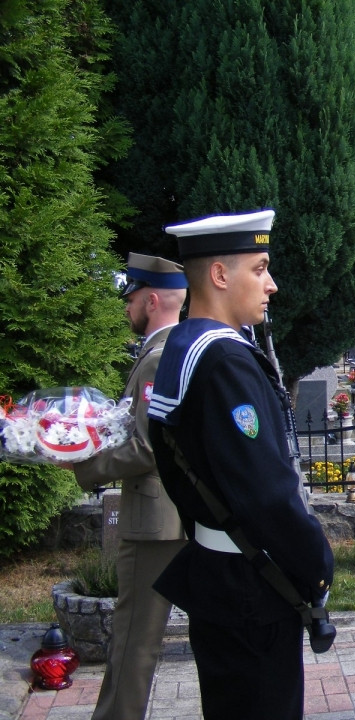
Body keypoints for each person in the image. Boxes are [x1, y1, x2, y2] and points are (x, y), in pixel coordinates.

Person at [146, 209, 334, 720]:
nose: (271, 284)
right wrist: (316, 564)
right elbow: (267, 493)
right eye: (260, 268)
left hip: (220, 568)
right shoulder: (225, 361)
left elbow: (175, 466)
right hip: (252, 582)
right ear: (219, 275)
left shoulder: (185, 344)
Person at [70, 253, 188, 720]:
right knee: (138, 638)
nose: (127, 306)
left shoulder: (158, 358)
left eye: (132, 297)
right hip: (171, 517)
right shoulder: (173, 350)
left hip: (154, 523)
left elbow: (147, 448)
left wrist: (84, 463)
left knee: (134, 640)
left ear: (152, 300)